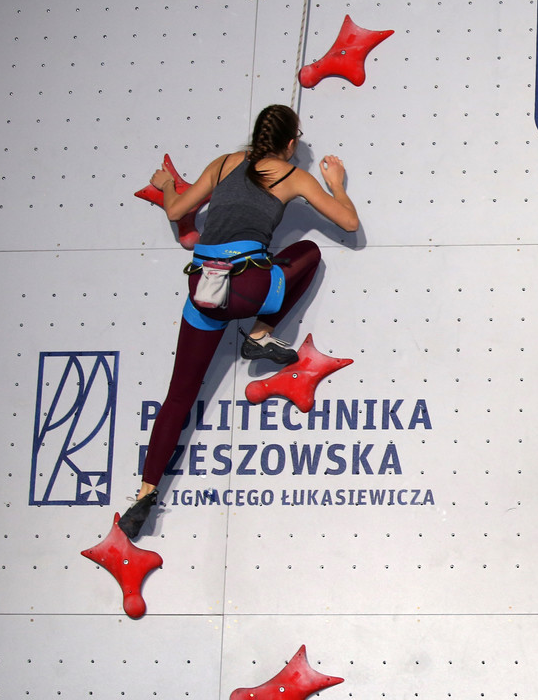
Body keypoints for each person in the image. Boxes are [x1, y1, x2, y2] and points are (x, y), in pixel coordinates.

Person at [118, 104, 360, 538]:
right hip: (248, 287)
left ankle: (144, 495)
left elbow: (175, 211)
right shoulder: (293, 176)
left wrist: (167, 185)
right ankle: (261, 334)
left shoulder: (223, 164)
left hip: (204, 291)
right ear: (290, 144)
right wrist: (337, 185)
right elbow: (349, 220)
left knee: (178, 396)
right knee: (307, 253)